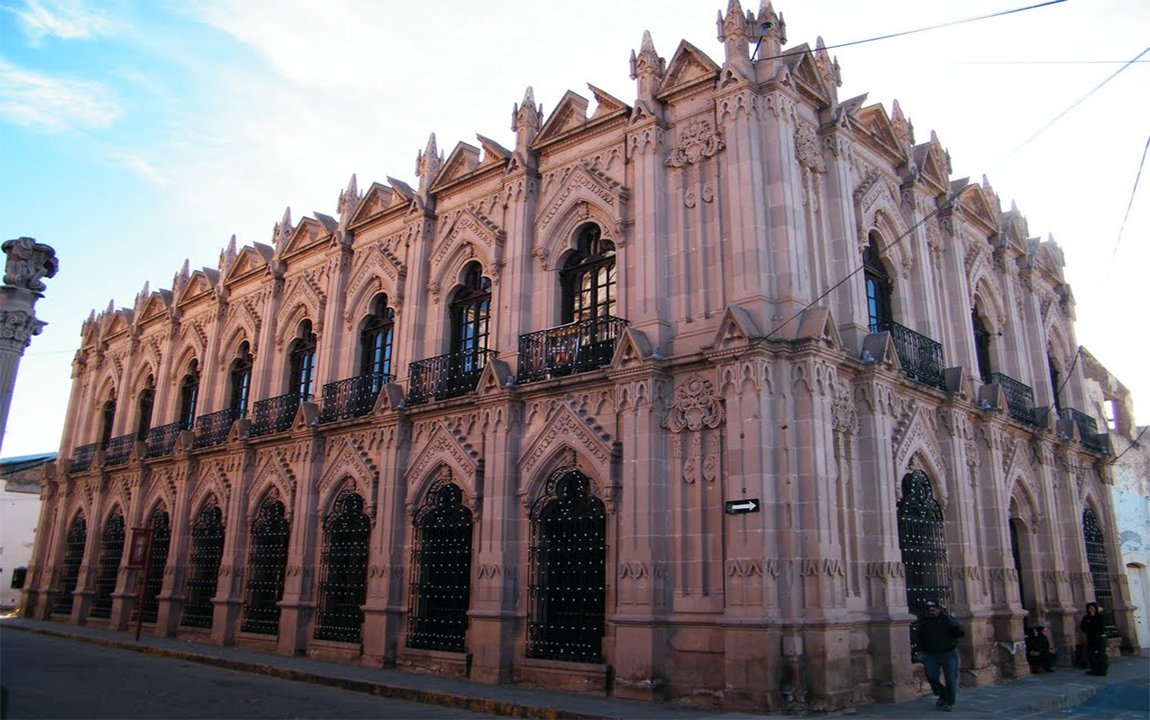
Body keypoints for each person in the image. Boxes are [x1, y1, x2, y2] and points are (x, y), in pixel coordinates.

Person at [914, 601, 965, 712]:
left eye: (934, 610)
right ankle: (942, 694)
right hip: (930, 654)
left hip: (949, 653)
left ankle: (950, 702)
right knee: (931, 676)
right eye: (929, 610)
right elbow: (919, 637)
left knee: (950, 678)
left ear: (939, 609)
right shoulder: (924, 622)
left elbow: (961, 632)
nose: (931, 612)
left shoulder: (948, 620)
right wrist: (920, 651)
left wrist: (949, 620)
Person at [1080, 602, 1108, 676]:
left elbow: (1100, 627)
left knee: (1101, 654)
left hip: (1100, 637)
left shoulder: (1100, 617)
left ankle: (1102, 670)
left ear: (1095, 609)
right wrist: (1089, 631)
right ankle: (1094, 669)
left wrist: (1092, 622)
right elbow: (1082, 626)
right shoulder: (1086, 617)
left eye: (1092, 608)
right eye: (1089, 608)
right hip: (1091, 637)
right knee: (1090, 654)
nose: (1091, 610)